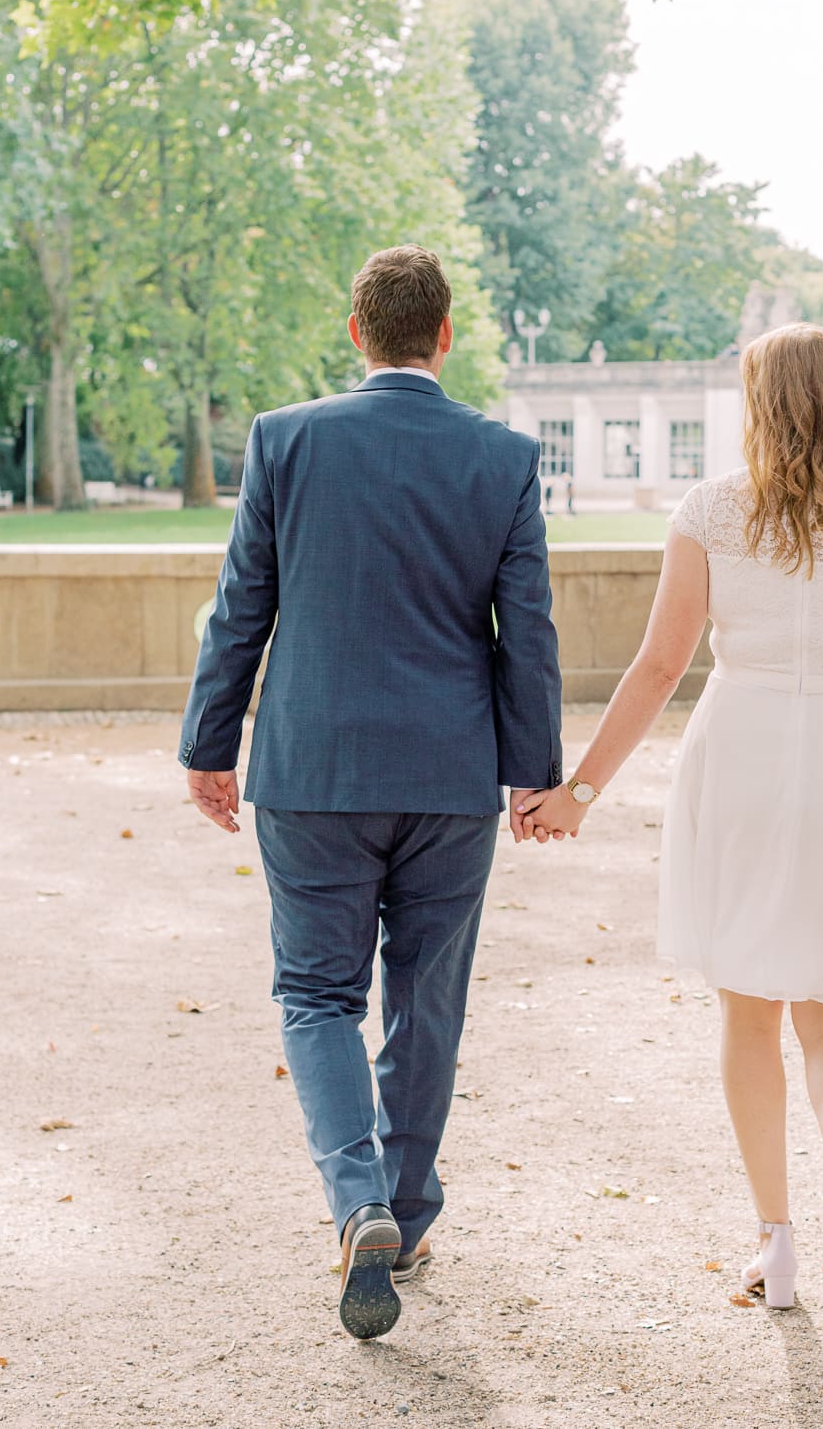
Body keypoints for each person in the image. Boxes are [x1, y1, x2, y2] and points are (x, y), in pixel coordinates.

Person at [520, 322, 823, 1336]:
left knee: (749, 1014)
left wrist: (581, 792)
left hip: (745, 758)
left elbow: (660, 665)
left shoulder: (714, 510)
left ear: (759, 405)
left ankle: (778, 1242)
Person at [179, 245, 562, 1341]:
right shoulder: (503, 455)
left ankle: (359, 1205)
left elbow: (239, 609)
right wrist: (533, 772)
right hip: (449, 776)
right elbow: (522, 634)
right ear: (444, 336)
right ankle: (411, 1211)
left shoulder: (286, 440)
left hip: (316, 771)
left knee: (315, 995)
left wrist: (210, 744)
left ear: (358, 335)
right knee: (425, 1001)